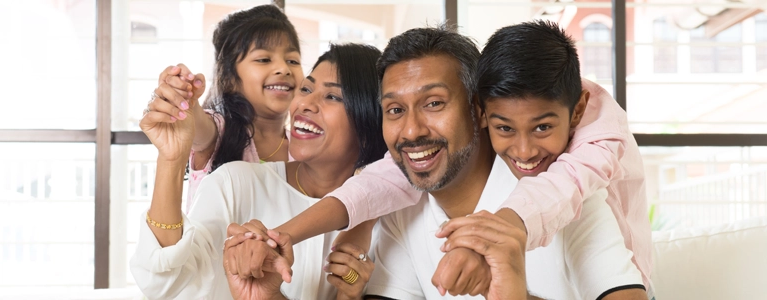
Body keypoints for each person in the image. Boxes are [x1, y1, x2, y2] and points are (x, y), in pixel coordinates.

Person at [272, 18, 651, 298]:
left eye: (434, 103)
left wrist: (509, 284)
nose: (412, 130)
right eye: (394, 110)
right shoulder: (402, 202)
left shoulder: (564, 188)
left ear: (478, 109)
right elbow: (367, 189)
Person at [130, 43, 386, 300]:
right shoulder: (235, 183)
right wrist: (171, 158)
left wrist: (348, 296)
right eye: (306, 89)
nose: (304, 104)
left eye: (332, 96)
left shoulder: (388, 218)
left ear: (370, 119)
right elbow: (164, 284)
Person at [143, 4, 303, 209]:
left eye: (293, 60)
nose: (283, 68)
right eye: (264, 59)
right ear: (228, 78)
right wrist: (185, 100)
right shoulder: (219, 132)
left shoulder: (305, 145)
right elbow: (198, 128)